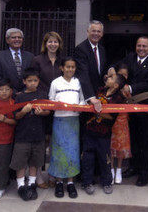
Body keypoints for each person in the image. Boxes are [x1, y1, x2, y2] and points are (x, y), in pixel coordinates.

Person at [117, 36, 148, 186]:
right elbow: (118, 67)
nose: (141, 49)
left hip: (145, 109)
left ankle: (144, 173)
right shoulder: (130, 58)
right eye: (139, 46)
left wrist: (129, 88)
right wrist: (112, 72)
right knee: (134, 140)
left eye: (144, 46)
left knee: (146, 142)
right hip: (130, 107)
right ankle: (133, 167)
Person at [82, 72, 127, 195]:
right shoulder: (99, 90)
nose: (107, 77)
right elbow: (89, 103)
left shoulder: (119, 99)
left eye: (111, 77)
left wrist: (97, 111)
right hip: (90, 129)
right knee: (88, 157)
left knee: (105, 158)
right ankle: (87, 182)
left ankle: (107, 183)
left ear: (116, 85)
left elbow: (111, 116)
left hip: (104, 133)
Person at [48, 57, 86, 199]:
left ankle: (70, 182)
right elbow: (51, 99)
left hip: (73, 121)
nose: (70, 69)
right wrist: (56, 105)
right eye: (68, 67)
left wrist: (79, 107)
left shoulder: (78, 82)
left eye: (73, 67)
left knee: (72, 151)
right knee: (59, 151)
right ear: (62, 68)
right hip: (59, 120)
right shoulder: (55, 83)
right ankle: (59, 182)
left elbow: (82, 99)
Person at [11, 68, 50, 201]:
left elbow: (48, 112)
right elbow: (16, 116)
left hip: (38, 135)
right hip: (23, 136)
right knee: (20, 162)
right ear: (24, 81)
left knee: (35, 161)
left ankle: (32, 183)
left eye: (35, 80)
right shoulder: (20, 97)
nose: (33, 83)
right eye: (29, 81)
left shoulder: (43, 94)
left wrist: (42, 112)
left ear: (38, 81)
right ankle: (21, 185)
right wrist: (24, 111)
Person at [32, 31, 64, 188]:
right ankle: (38, 176)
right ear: (45, 44)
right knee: (40, 142)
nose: (53, 44)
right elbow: (34, 80)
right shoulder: (37, 60)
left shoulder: (62, 61)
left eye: (55, 42)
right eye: (50, 41)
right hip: (42, 104)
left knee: (54, 142)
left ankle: (53, 174)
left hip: (58, 106)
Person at [73, 20, 106, 106]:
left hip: (100, 95)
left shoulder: (102, 49)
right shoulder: (80, 49)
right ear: (88, 32)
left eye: (98, 31)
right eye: (93, 31)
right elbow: (83, 74)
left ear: (102, 34)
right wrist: (91, 97)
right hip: (87, 96)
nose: (96, 33)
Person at [0, 28, 34, 93]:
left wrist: (24, 91)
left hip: (26, 95)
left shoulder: (30, 56)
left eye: (19, 37)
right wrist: (12, 92)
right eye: (14, 37)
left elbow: (32, 75)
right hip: (7, 96)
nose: (17, 39)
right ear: (7, 40)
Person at [110, 64, 131, 185]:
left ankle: (119, 169)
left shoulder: (127, 88)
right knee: (111, 145)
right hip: (112, 119)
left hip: (123, 120)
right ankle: (111, 169)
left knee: (121, 145)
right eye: (121, 74)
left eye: (125, 74)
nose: (123, 76)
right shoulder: (112, 86)